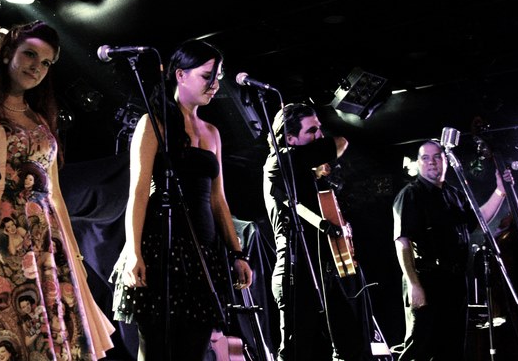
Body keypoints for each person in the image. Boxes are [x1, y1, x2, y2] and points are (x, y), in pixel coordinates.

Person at [0, 20, 114, 360]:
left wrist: (75, 256)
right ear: (7, 54)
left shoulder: (40, 119)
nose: (37, 67)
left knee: (47, 336)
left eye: (46, 62)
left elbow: (55, 195)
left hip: (45, 240)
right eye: (30, 54)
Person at [111, 40, 253, 360]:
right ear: (180, 75)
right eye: (207, 76)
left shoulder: (212, 132)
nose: (215, 85)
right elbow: (138, 192)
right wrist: (133, 251)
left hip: (204, 253)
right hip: (161, 247)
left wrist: (237, 253)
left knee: (194, 348)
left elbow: (219, 200)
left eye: (217, 77)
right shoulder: (154, 123)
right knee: (157, 348)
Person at [393, 140, 510, 361]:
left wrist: (500, 191)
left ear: (445, 161)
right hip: (426, 280)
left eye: (437, 156)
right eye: (425, 158)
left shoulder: (454, 194)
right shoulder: (410, 194)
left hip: (455, 282)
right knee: (420, 348)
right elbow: (402, 242)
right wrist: (414, 284)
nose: (431, 162)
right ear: (418, 163)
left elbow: (479, 219)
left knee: (452, 349)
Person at [262, 102, 361, 361]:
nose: (320, 136)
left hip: (322, 273)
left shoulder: (305, 171)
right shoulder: (279, 161)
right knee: (298, 353)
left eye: (319, 129)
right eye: (312, 131)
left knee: (344, 347)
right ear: (290, 138)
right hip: (296, 273)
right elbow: (340, 143)